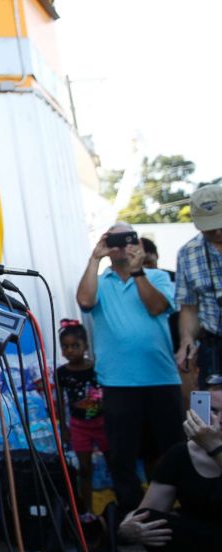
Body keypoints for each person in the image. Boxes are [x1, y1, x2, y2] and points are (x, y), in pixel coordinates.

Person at [76, 222, 183, 513]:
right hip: (118, 383)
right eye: (115, 239)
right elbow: (85, 301)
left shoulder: (158, 276)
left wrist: (137, 271)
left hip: (161, 379)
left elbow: (156, 307)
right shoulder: (100, 280)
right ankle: (133, 514)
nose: (122, 245)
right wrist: (95, 257)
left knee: (173, 449)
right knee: (122, 456)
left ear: (138, 242)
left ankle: (183, 507)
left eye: (128, 238)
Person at [117, 389, 222, 552]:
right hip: (196, 548)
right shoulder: (182, 454)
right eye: (213, 411)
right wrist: (128, 527)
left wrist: (214, 448)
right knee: (150, 520)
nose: (219, 419)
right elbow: (146, 511)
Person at [55, 320, 108, 518]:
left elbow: (107, 393)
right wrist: (64, 429)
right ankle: (86, 510)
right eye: (65, 347)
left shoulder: (96, 368)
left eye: (75, 346)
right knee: (84, 469)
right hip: (79, 427)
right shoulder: (62, 373)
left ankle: (116, 506)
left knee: (113, 463)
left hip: (103, 424)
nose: (70, 351)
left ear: (85, 346)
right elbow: (60, 401)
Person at [176, 184, 222, 389]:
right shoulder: (187, 253)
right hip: (213, 344)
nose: (219, 231)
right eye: (211, 226)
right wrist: (187, 340)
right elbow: (189, 307)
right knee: (204, 407)